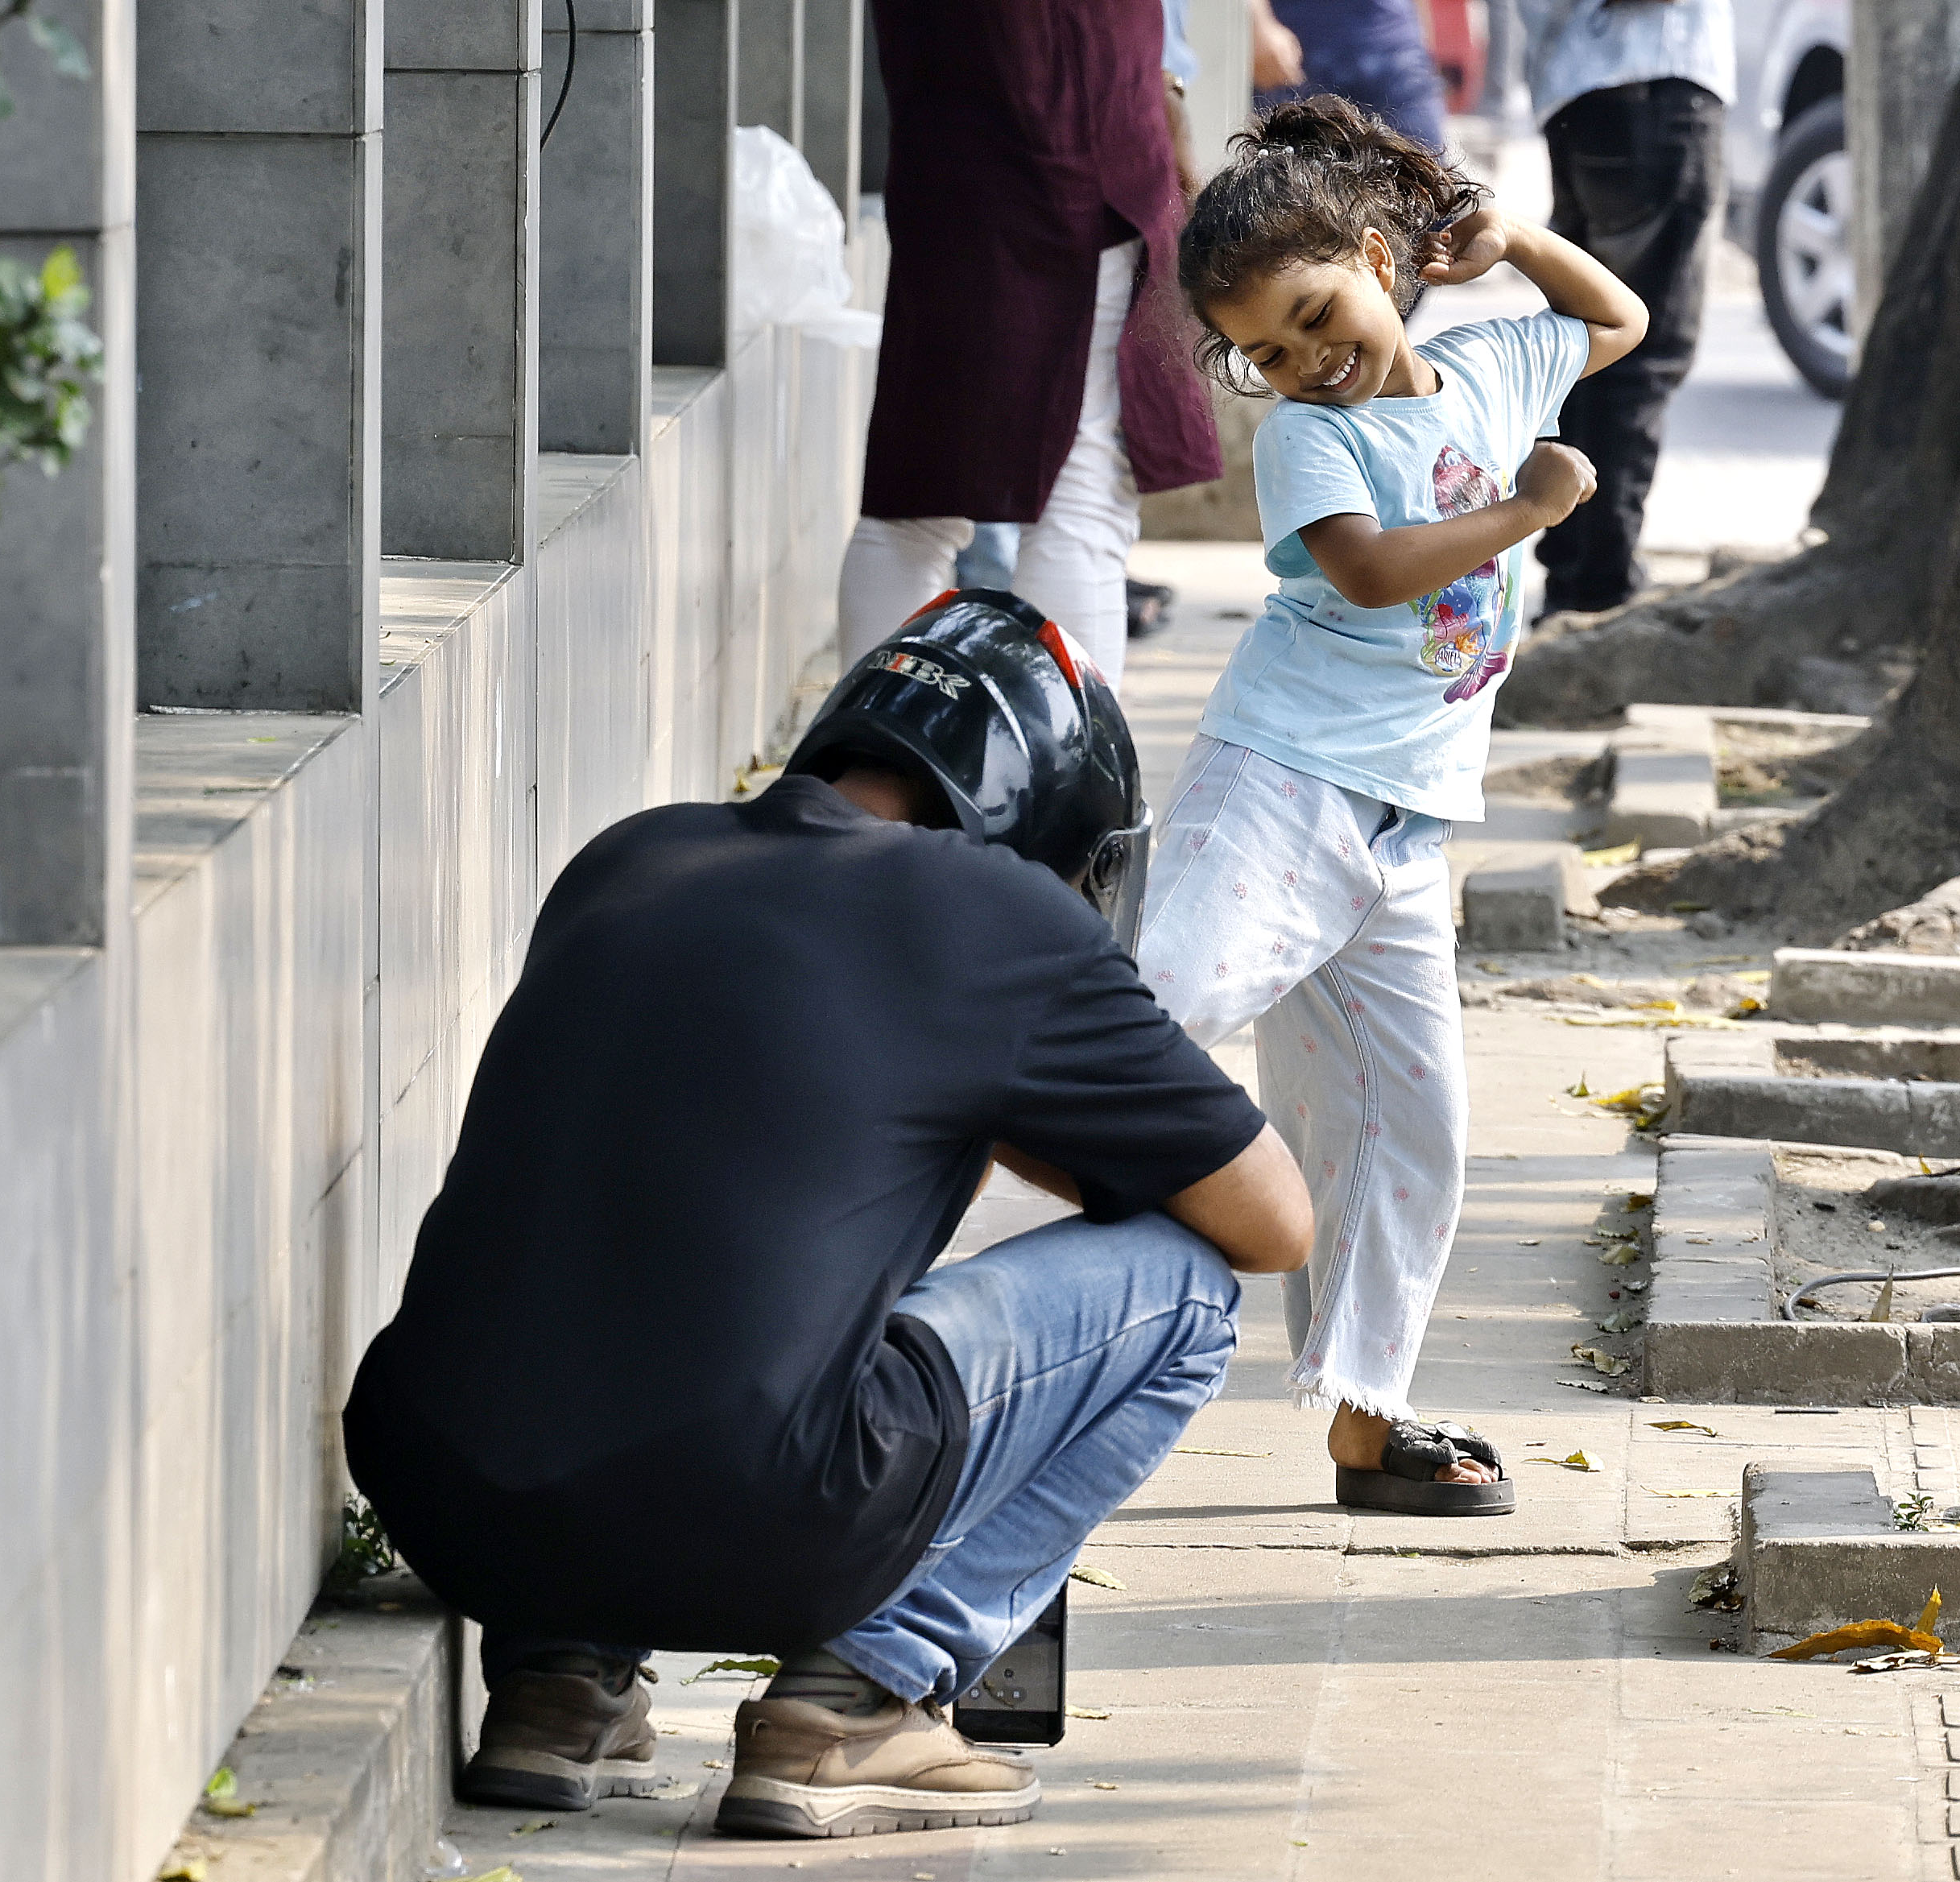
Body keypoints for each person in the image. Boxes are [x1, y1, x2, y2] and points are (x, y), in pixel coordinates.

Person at [341, 598, 1314, 1839]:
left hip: (450, 1505)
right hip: (756, 1510)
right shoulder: (998, 918)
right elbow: (1270, 1217)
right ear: (1041, 819)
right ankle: (859, 1697)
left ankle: (559, 1682)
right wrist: (1020, 1105)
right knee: (1185, 1288)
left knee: (641, 1234)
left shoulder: (633, 854)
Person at [1144, 97, 1645, 1513]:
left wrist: (1520, 236)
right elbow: (1370, 571)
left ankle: (1368, 1420)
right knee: (1149, 1019)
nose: (1306, 359)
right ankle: (919, 1229)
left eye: (1316, 314)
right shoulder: (1310, 445)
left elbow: (1617, 323)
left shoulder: (1488, 367)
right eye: (1268, 352)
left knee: (1407, 1124)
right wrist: (1531, 514)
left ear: (1380, 257)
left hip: (1404, 827)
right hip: (1280, 790)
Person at [844, 0, 1218, 676]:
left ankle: (852, 771)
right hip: (1065, 98)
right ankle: (1068, 778)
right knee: (1079, 486)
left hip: (957, 116)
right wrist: (1169, 85)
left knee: (918, 500)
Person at [1513, 0, 1735, 616]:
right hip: (1648, 76)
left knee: (1589, 347)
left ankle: (1576, 581)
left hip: (1583, 84)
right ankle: (1597, 596)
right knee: (1635, 353)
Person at [1256, 0, 1452, 154]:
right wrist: (1257, 24)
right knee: (1289, 195)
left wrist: (1424, 46)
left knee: (1428, 192)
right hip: (1296, 57)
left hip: (1395, 53)